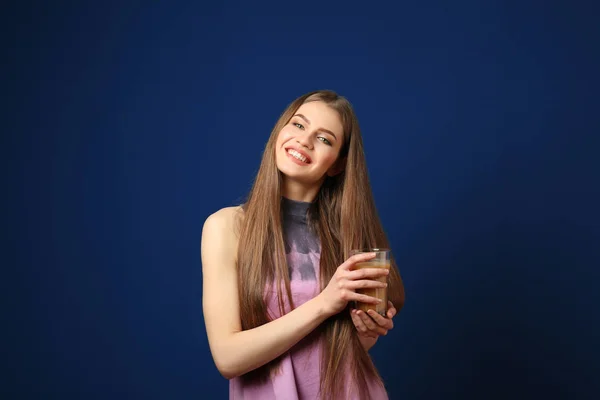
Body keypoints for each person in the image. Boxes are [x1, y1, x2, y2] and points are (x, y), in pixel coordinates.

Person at [201, 89, 405, 400]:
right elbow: (228, 358)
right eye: (298, 125)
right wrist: (324, 303)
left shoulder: (350, 237)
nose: (304, 141)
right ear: (280, 130)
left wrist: (366, 332)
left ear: (337, 164)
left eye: (325, 139)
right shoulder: (227, 227)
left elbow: (335, 354)